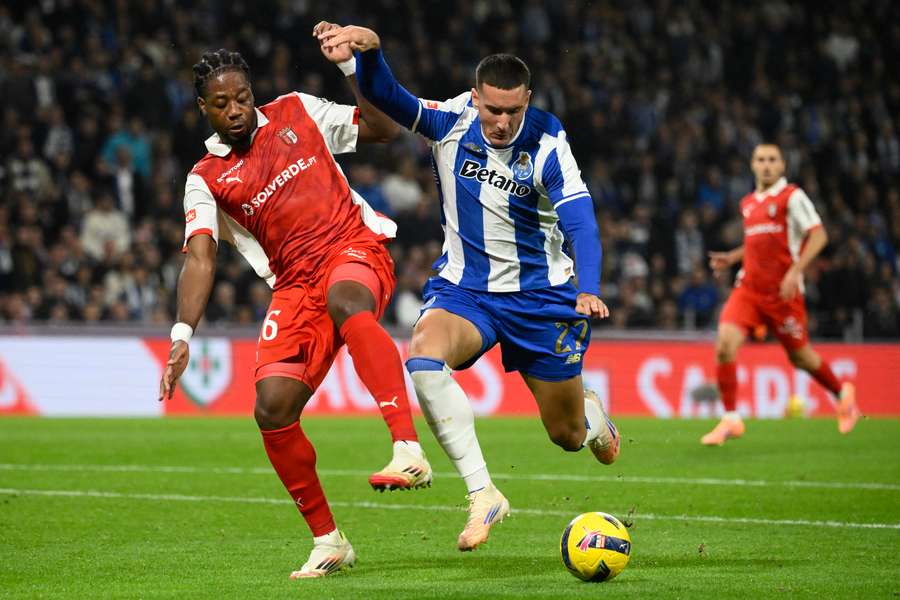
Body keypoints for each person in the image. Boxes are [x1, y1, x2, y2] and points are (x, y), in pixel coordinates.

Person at [318, 24, 621, 551]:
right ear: (475, 96)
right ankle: (483, 493)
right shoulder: (453, 119)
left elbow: (581, 223)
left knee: (567, 436)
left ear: (527, 100)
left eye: (513, 112)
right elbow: (392, 100)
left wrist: (588, 286)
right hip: (466, 291)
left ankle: (594, 421)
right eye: (492, 110)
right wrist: (369, 56)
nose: (501, 122)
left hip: (542, 298)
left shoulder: (549, 143)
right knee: (424, 355)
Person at [157, 43, 433, 579]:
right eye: (221, 103)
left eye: (241, 97)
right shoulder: (205, 178)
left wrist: (355, 68)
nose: (235, 109)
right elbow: (200, 256)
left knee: (348, 300)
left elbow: (381, 128)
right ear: (202, 108)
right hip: (294, 284)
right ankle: (329, 541)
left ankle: (406, 446)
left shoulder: (296, 111)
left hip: (353, 248)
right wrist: (182, 333)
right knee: (272, 408)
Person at [701, 143, 860, 445]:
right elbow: (758, 242)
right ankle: (731, 418)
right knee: (724, 344)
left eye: (772, 160)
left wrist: (795, 271)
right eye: (760, 159)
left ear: (782, 166)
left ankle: (843, 393)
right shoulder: (748, 202)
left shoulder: (792, 197)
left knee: (801, 357)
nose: (766, 165)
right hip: (748, 289)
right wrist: (733, 258)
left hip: (783, 294)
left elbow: (820, 234)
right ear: (752, 165)